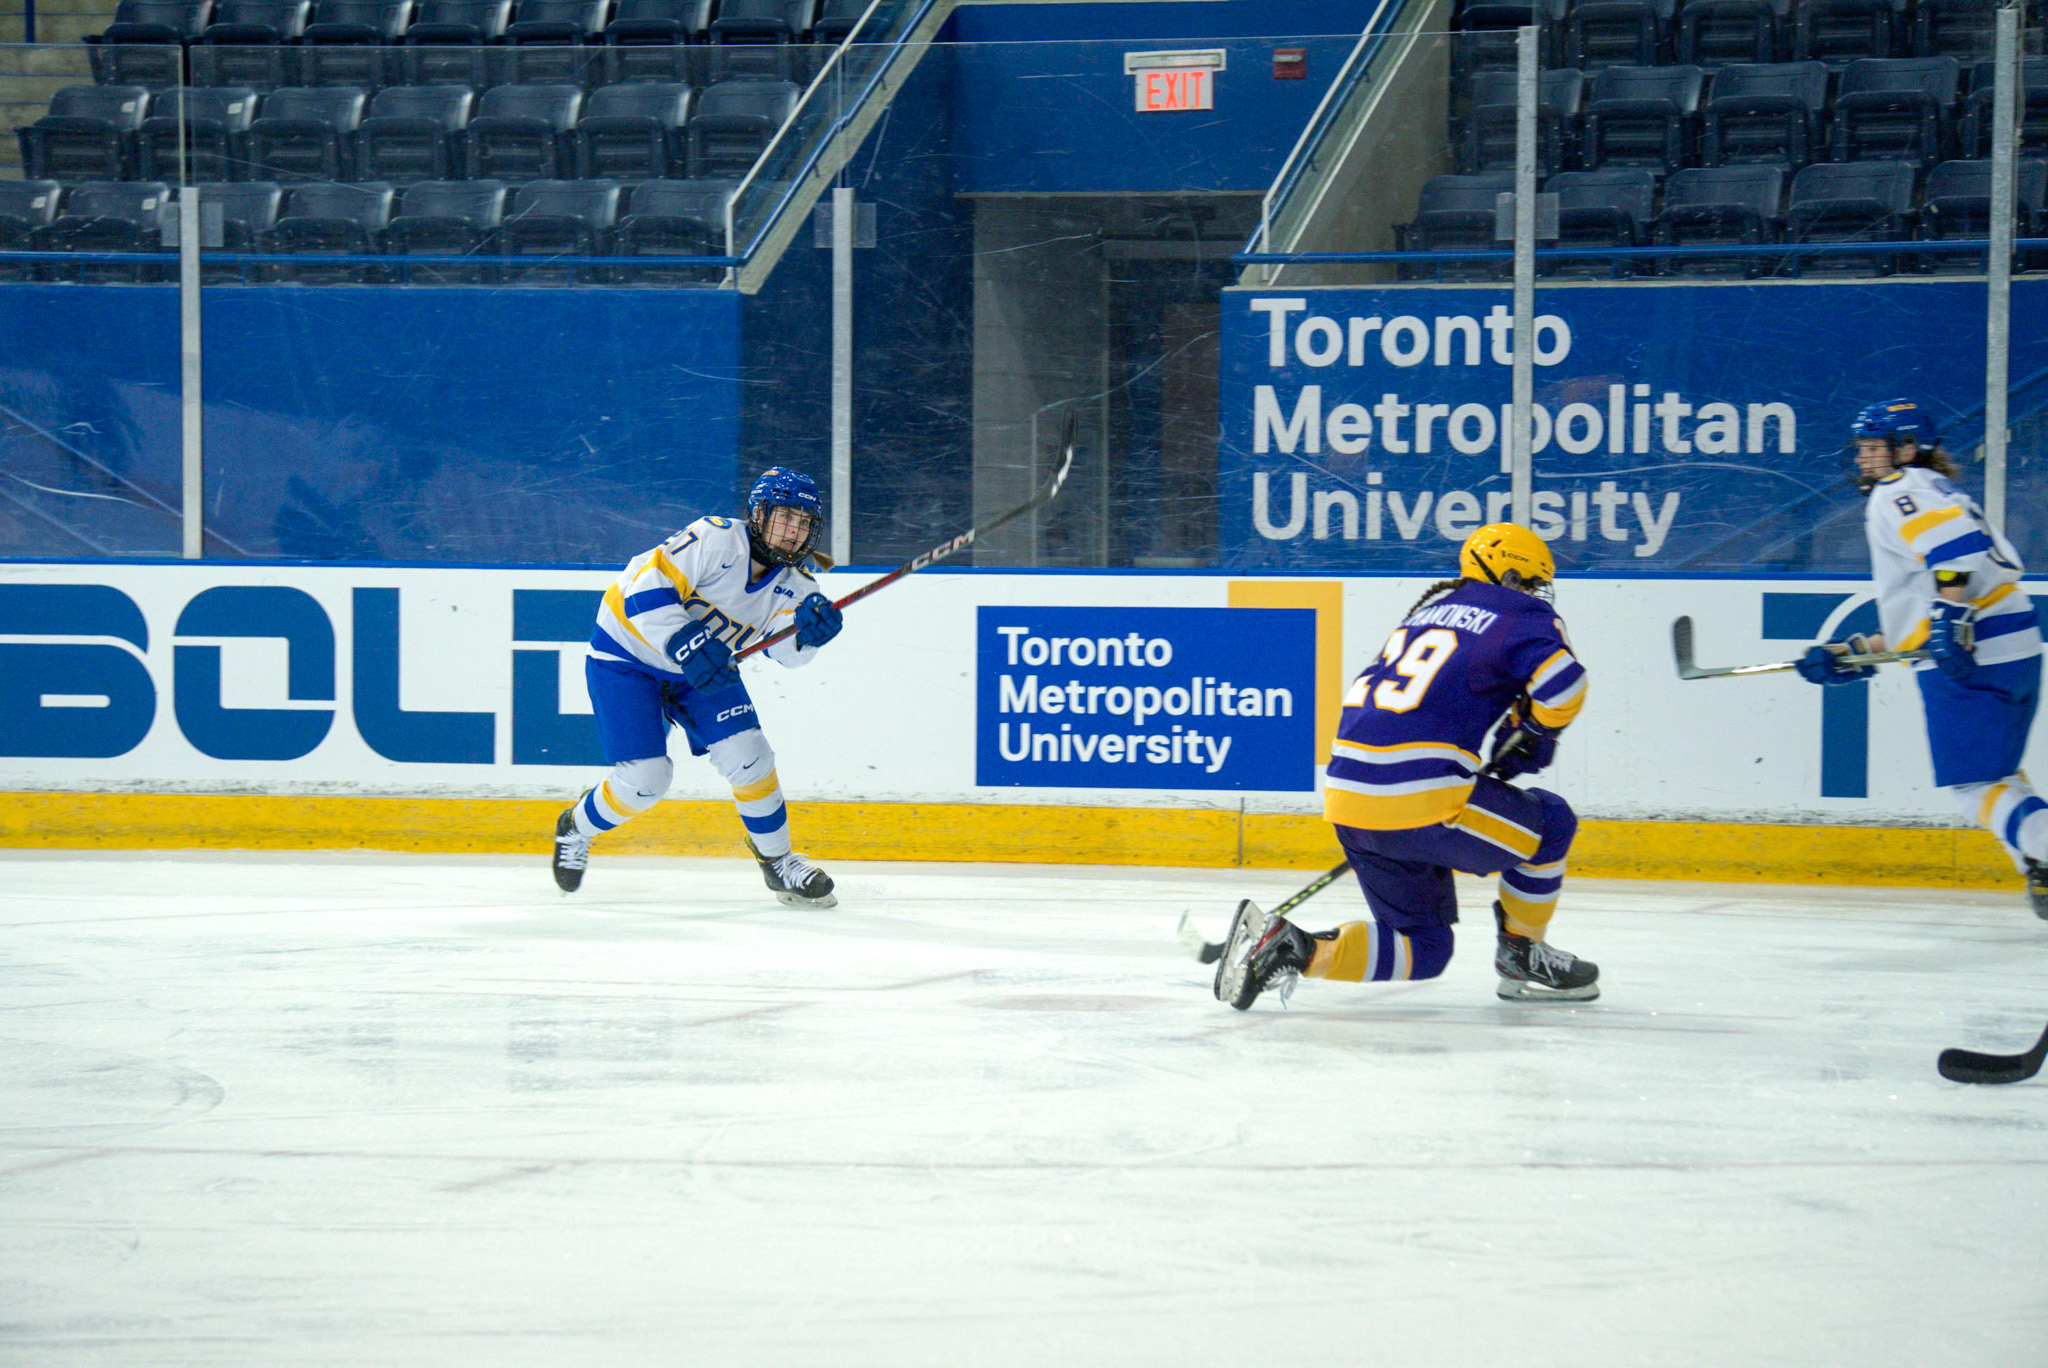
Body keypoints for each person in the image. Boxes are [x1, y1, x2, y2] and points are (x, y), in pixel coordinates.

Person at [1214, 523, 1600, 1011]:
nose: (1532, 593)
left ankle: (1298, 949)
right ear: (1506, 575)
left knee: (1426, 948)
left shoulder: (1425, 613)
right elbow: (1565, 686)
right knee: (1553, 824)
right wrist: (1536, 733)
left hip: (1348, 798)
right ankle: (1522, 954)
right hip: (1421, 796)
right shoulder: (1518, 611)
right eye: (1527, 581)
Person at [1795, 399, 2046, 917]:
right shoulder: (1930, 488)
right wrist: (1853, 654)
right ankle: (2037, 867)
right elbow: (1922, 614)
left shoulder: (1899, 489)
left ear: (1908, 449)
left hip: (1977, 654)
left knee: (1977, 786)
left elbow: (1955, 553)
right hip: (2012, 642)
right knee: (1999, 775)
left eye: (1874, 449)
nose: (1864, 460)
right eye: (1861, 449)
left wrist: (1952, 621)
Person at [550, 467, 845, 906]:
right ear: (759, 514)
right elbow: (643, 587)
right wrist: (682, 640)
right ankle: (575, 826)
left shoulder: (798, 586)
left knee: (752, 757)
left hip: (699, 672)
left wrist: (808, 633)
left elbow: (786, 652)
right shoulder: (714, 538)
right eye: (785, 517)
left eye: (803, 523)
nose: (793, 532)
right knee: (647, 779)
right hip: (626, 656)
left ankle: (778, 863)